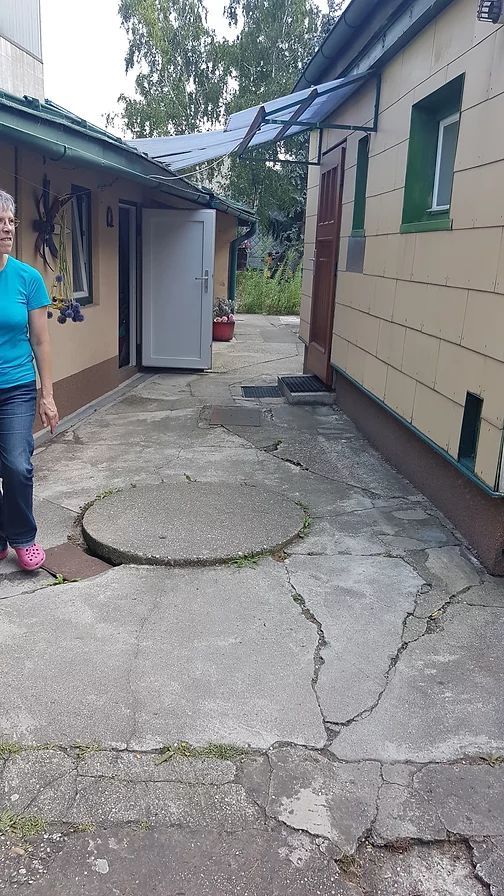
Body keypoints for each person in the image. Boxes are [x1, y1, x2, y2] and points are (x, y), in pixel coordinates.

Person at [0, 189, 59, 571]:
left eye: (10, 221)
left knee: (17, 464)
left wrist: (46, 395)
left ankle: (22, 537)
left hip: (16, 387)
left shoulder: (27, 278)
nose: (7, 228)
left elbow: (40, 340)